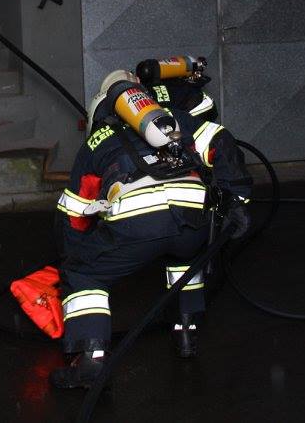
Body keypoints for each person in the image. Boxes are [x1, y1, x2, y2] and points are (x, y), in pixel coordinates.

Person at [50, 70, 252, 390]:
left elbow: (73, 211)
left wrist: (73, 255)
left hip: (135, 221)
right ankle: (186, 333)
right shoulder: (173, 119)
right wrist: (236, 198)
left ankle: (90, 361)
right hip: (192, 215)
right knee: (185, 260)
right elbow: (220, 140)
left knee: (84, 274)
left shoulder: (95, 143)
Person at [136, 55, 218, 121]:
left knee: (146, 69)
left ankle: (195, 67)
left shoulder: (147, 76)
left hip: (201, 105)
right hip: (192, 100)